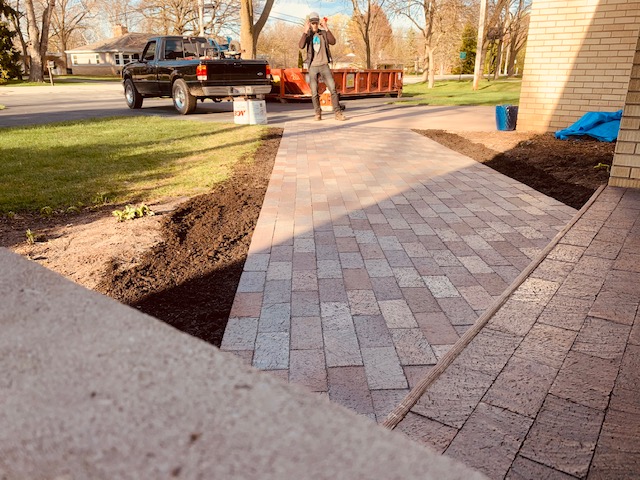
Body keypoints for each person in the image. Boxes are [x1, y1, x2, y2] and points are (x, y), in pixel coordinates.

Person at [299, 12, 346, 121]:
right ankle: (317, 113)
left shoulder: (323, 34)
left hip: (324, 66)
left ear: (318, 22)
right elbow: (301, 46)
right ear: (310, 24)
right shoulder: (308, 35)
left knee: (333, 89)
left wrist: (325, 27)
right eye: (312, 23)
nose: (314, 25)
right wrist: (305, 31)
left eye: (316, 23)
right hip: (313, 67)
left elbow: (333, 42)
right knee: (314, 92)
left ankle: (338, 113)